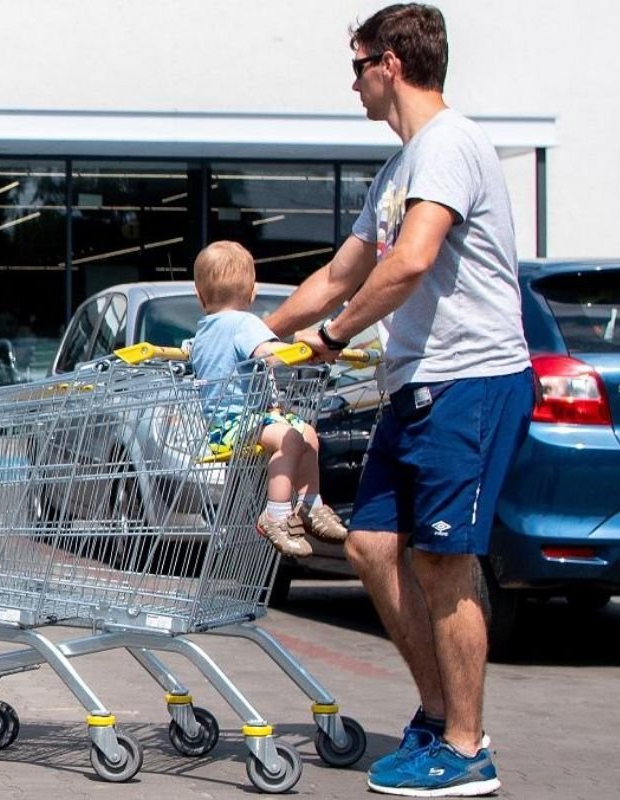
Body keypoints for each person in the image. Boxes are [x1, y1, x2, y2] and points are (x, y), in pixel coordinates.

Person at [263, 5, 533, 797]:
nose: (351, 83)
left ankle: (465, 746)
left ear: (390, 64)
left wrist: (336, 337)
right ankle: (441, 712)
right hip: (414, 389)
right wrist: (244, 337)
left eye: (356, 66)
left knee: (444, 560)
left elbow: (411, 262)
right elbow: (337, 276)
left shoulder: (449, 144)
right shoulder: (397, 170)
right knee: (372, 548)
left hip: (471, 382)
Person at [189, 240, 348, 559]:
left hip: (230, 425)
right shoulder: (244, 323)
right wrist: (303, 350)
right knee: (291, 437)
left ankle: (310, 504)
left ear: (199, 295)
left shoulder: (204, 330)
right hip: (237, 424)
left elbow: (194, 351)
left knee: (307, 433)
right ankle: (276, 513)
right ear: (252, 293)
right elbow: (267, 355)